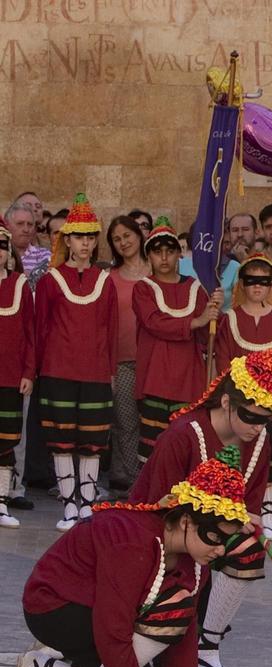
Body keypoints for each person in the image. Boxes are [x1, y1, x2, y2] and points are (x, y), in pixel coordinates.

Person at [11, 448, 249, 667]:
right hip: (55, 608)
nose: (220, 549)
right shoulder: (132, 539)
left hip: (102, 617)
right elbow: (113, 626)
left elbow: (183, 631)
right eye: (215, 537)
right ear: (186, 521)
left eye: (227, 541)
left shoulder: (193, 559)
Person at [129, 341, 272, 667]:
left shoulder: (260, 444)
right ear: (227, 401)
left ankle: (207, 649)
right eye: (249, 416)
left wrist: (244, 522)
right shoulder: (184, 434)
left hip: (211, 536)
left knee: (248, 548)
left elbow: (250, 507)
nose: (255, 427)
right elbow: (161, 505)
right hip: (165, 533)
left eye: (264, 420)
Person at [35, 193, 118, 532]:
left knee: (92, 440)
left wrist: (110, 371)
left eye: (90, 236)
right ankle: (69, 504)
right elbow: (41, 329)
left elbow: (111, 330)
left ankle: (87, 502)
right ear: (66, 239)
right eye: (79, 237)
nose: (85, 243)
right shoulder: (50, 281)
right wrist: (38, 370)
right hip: (58, 371)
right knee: (62, 439)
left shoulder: (105, 280)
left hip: (96, 373)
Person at [214, 254, 272, 540]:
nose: (257, 286)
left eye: (264, 281)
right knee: (241, 457)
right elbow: (223, 361)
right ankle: (240, 510)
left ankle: (269, 513)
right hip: (240, 407)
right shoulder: (229, 319)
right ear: (242, 284)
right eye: (251, 281)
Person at [133, 218, 220, 462]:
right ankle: (151, 497)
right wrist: (196, 322)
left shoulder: (196, 288)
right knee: (152, 445)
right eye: (157, 252)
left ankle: (181, 498)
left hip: (188, 379)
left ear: (178, 255)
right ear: (148, 255)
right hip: (155, 378)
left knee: (184, 444)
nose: (163, 258)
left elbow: (208, 333)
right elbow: (154, 322)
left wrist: (215, 312)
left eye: (169, 252)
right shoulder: (143, 288)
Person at [105, 216, 151, 488]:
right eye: (117, 239)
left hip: (155, 361)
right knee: (126, 424)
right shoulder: (109, 278)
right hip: (121, 362)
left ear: (139, 235)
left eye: (127, 235)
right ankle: (134, 483)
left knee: (156, 424)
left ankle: (154, 481)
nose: (123, 242)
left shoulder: (157, 270)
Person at [0, 219, 33, 527]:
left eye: (1, 245)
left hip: (11, 377)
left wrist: (28, 372)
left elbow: (30, 333)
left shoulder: (19, 284)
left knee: (7, 441)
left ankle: (1, 502)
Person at [5, 200, 51, 286]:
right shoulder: (2, 254)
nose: (26, 229)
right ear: (7, 225)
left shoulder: (45, 255)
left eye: (30, 224)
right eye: (20, 224)